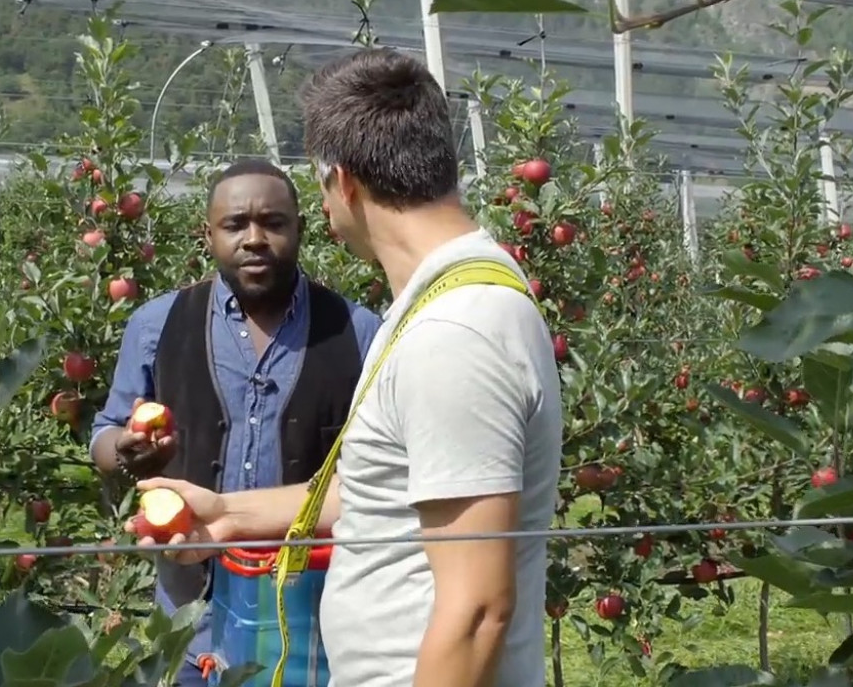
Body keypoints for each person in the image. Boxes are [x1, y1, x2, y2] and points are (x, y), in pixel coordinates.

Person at [134, 48, 564, 687]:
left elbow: (477, 611)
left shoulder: (455, 333)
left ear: (344, 182)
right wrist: (227, 513)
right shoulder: (437, 308)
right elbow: (387, 489)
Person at [90, 158, 383, 687]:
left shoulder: (358, 332)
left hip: (313, 616)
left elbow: (379, 471)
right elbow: (105, 434)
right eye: (234, 225)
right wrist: (126, 450)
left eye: (273, 222)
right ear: (209, 235)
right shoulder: (157, 325)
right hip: (190, 612)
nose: (254, 238)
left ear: (300, 228)